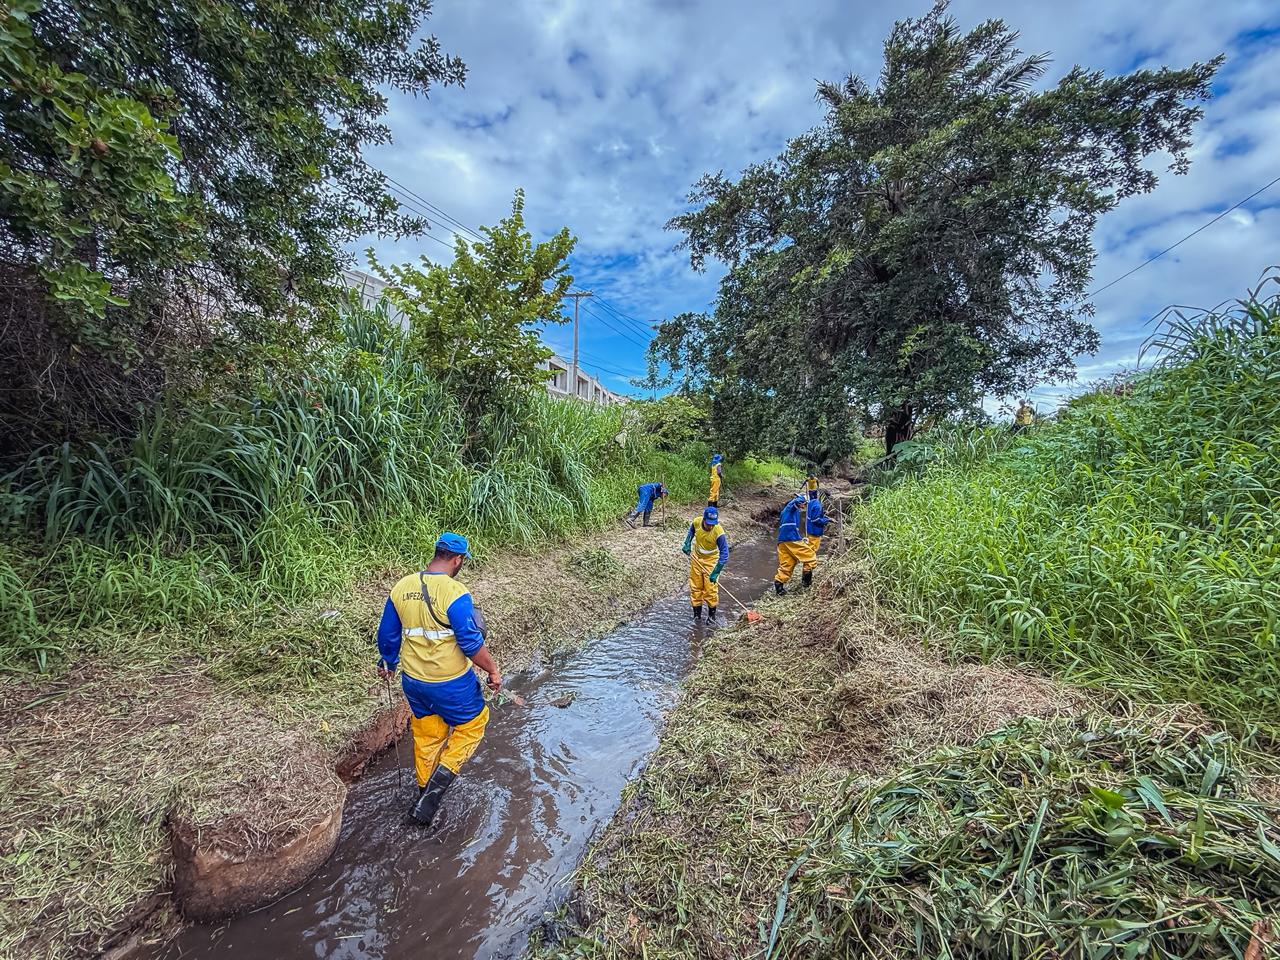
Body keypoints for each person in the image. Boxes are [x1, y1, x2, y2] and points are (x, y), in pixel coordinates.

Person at [376, 532, 502, 827]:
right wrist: (493, 670)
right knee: (472, 725)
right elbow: (471, 644)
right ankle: (433, 794)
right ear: (458, 559)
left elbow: (387, 635)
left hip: (414, 682)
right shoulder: (455, 593)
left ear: (437, 553)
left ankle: (423, 792)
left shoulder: (402, 586)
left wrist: (388, 663)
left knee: (428, 733)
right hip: (451, 682)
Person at [683, 505, 729, 622]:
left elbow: (725, 553)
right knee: (696, 587)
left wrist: (716, 571)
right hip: (697, 559)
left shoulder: (718, 532)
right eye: (709, 523)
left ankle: (711, 617)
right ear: (704, 519)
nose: (711, 526)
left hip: (711, 562)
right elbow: (691, 530)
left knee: (710, 590)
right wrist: (687, 543)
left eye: (713, 524)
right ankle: (696, 616)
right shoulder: (697, 522)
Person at [773, 493, 815, 595]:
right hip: (790, 539)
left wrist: (801, 539)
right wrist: (803, 498)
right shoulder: (790, 507)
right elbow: (796, 502)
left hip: (782, 541)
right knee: (810, 556)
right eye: (804, 504)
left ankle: (779, 586)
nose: (804, 506)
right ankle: (806, 582)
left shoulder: (785, 513)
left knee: (787, 564)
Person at [802, 488, 832, 585]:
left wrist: (825, 517)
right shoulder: (818, 505)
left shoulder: (812, 502)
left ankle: (805, 578)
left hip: (809, 531)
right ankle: (807, 581)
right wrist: (827, 521)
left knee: (808, 552)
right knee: (811, 553)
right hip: (814, 533)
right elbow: (816, 520)